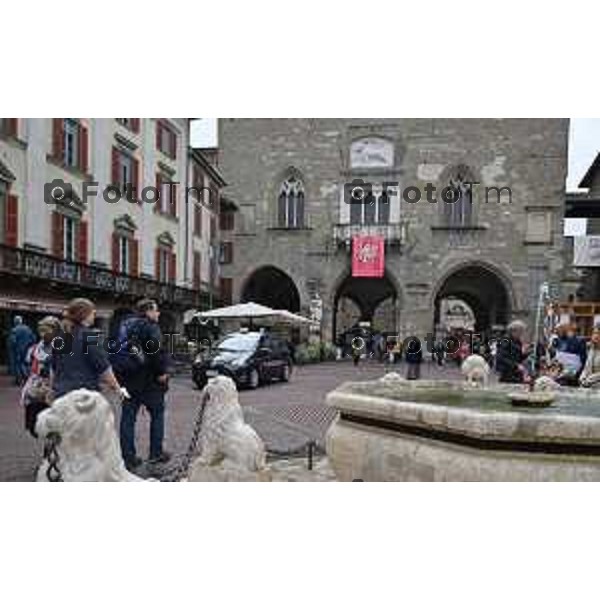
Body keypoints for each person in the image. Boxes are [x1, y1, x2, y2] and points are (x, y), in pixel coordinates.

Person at [117, 298, 171, 471]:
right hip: (150, 381)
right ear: (148, 311)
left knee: (127, 419)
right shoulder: (151, 327)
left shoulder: (125, 326)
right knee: (157, 414)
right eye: (156, 310)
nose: (158, 313)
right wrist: (162, 372)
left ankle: (128, 457)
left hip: (128, 379)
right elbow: (155, 352)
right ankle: (156, 453)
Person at [51, 298, 125, 400]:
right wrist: (117, 388)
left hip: (61, 393)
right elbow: (103, 367)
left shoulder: (61, 337)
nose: (94, 316)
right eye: (93, 313)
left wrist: (52, 389)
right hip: (83, 395)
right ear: (85, 315)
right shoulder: (89, 336)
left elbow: (54, 367)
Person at [21, 316, 61, 437]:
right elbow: (28, 365)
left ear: (55, 331)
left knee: (51, 426)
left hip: (53, 390)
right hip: (36, 391)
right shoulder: (35, 348)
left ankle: (50, 452)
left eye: (46, 331)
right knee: (34, 427)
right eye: (41, 330)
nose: (43, 334)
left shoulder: (62, 348)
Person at [9, 316, 36, 386]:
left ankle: (20, 379)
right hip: (26, 349)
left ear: (15, 322)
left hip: (18, 350)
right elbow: (33, 339)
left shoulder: (14, 330)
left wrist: (13, 347)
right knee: (25, 363)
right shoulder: (28, 329)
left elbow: (13, 341)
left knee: (18, 364)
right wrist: (29, 345)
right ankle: (26, 377)